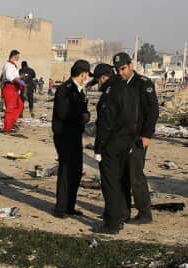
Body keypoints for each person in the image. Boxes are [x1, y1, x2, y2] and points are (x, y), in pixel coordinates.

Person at [113, 52, 157, 225]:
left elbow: (152, 111)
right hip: (120, 137)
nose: (120, 73)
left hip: (137, 138)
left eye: (123, 69)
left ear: (130, 66)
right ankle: (123, 211)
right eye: (117, 70)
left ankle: (145, 212)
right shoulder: (118, 83)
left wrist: (147, 134)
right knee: (121, 175)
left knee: (135, 175)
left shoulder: (143, 83)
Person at [51, 60, 92, 218]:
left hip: (75, 135)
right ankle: (60, 208)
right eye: (87, 74)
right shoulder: (65, 89)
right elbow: (62, 113)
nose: (87, 77)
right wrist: (81, 116)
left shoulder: (80, 90)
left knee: (76, 171)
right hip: (64, 135)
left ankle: (70, 206)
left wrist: (84, 116)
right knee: (66, 171)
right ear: (82, 74)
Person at [92, 63, 131, 233]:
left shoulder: (111, 92)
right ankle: (121, 215)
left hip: (111, 144)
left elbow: (105, 123)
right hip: (124, 141)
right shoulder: (125, 87)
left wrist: (98, 148)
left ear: (103, 77)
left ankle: (112, 223)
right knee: (120, 181)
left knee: (110, 183)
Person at [0, 50, 23, 132]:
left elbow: (16, 76)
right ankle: (7, 128)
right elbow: (10, 77)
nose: (18, 57)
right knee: (10, 108)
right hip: (10, 87)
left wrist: (21, 81)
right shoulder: (8, 65)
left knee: (20, 105)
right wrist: (20, 81)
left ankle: (11, 123)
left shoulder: (13, 65)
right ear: (14, 56)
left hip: (14, 89)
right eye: (18, 56)